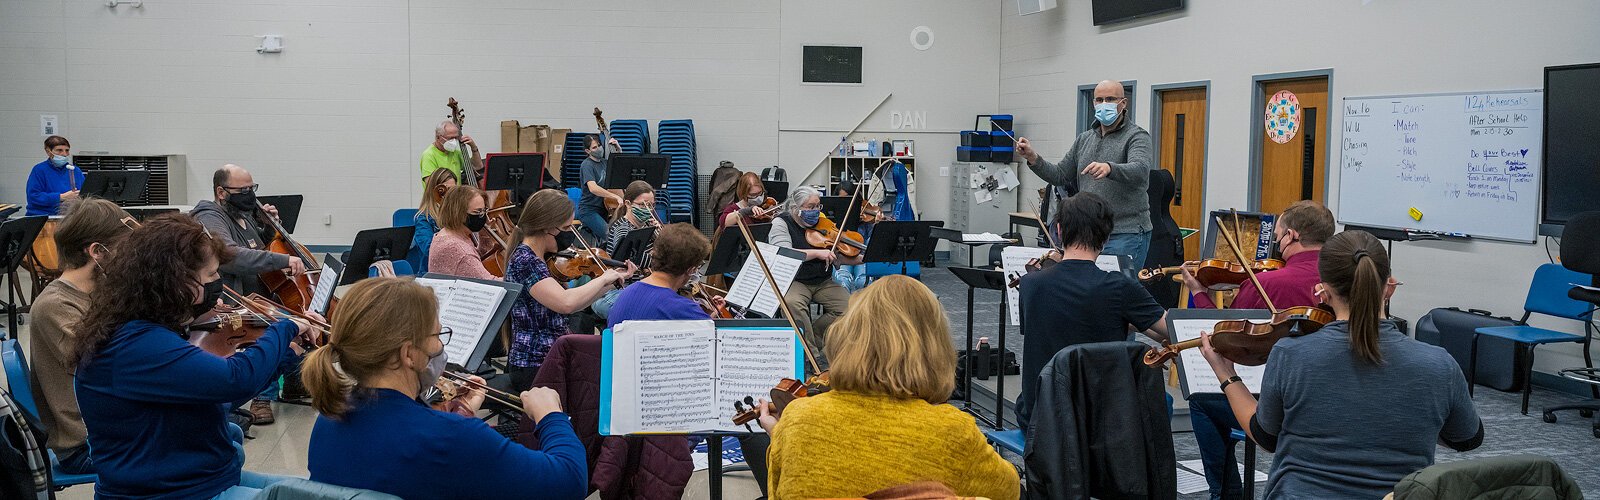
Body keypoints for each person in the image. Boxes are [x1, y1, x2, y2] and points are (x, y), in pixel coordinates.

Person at [1199, 230, 1482, 498]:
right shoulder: (1438, 364)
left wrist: (1226, 374)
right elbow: (1466, 439)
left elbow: (1266, 437)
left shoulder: (1291, 355)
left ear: (1322, 292)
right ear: (1389, 287)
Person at [73, 214, 322, 499]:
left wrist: (282, 355)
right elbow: (234, 380)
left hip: (203, 480)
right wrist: (284, 328)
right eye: (213, 275)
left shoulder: (142, 327)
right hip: (176, 494)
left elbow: (216, 395)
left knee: (318, 493)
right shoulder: (136, 345)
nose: (218, 286)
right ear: (178, 282)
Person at [304, 277, 587, 499]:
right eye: (437, 336)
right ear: (408, 355)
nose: (439, 347)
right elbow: (570, 481)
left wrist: (455, 413)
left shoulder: (329, 419)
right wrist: (551, 416)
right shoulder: (451, 438)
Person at [758, 275, 1019, 499]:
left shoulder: (798, 419)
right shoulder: (953, 430)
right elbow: (1009, 491)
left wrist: (781, 438)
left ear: (848, 337)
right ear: (934, 349)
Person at [1178, 199, 1334, 500]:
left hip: (1273, 401)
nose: (1276, 241)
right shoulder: (1342, 282)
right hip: (1328, 397)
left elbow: (1224, 335)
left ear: (1293, 236)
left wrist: (1200, 293)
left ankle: (1226, 494)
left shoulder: (1268, 282)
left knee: (1201, 401)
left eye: (1278, 236)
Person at [1015, 192, 1168, 425]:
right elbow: (1171, 330)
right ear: (1106, 237)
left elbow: (1056, 325)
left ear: (1059, 231)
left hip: (1039, 416)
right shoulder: (1120, 287)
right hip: (1097, 418)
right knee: (1162, 399)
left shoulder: (1029, 283)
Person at [190, 164, 306, 425]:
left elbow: (256, 245)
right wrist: (281, 259)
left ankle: (295, 383)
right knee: (269, 334)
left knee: (301, 321)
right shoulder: (210, 215)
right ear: (221, 192)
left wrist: (267, 227)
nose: (250, 195)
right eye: (242, 190)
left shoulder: (244, 214)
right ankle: (261, 397)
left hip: (259, 297)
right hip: (234, 302)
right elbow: (230, 255)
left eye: (252, 188)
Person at [28, 198, 134, 475]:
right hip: (85, 444)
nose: (131, 258)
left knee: (219, 427)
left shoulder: (99, 292)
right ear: (97, 252)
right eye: (125, 249)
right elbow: (109, 364)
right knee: (204, 438)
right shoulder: (56, 305)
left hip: (109, 426)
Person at [1017, 80, 1154, 274]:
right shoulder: (1084, 139)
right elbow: (1060, 175)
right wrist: (1033, 158)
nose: (1104, 103)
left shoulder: (1137, 136)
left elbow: (1140, 170)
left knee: (1118, 293)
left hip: (1125, 231)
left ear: (1123, 104)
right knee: (1091, 291)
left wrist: (1110, 168)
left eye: (1110, 99)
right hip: (1090, 233)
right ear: (1093, 103)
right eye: (1099, 99)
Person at [505, 189, 632, 391]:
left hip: (554, 354)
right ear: (547, 228)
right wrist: (604, 278)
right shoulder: (525, 260)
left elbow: (577, 303)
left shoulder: (543, 258)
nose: (570, 237)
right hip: (535, 363)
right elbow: (566, 303)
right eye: (566, 228)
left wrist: (611, 280)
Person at [767, 186, 860, 358]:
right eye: (810, 207)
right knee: (792, 303)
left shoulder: (823, 224)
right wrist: (817, 253)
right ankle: (810, 356)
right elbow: (784, 252)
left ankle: (816, 336)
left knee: (852, 308)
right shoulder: (781, 223)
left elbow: (836, 257)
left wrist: (862, 258)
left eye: (818, 206)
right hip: (795, 279)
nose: (816, 211)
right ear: (795, 207)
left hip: (823, 281)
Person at [591, 181, 660, 319]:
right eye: (642, 205)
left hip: (638, 287)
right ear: (628, 204)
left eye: (651, 205)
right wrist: (659, 257)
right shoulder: (623, 229)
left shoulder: (646, 225)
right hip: (618, 289)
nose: (648, 210)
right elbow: (633, 259)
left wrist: (660, 238)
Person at [427, 185, 497, 280]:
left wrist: (484, 232)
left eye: (484, 211)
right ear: (458, 213)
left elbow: (475, 256)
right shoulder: (456, 247)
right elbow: (491, 283)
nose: (482, 216)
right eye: (477, 212)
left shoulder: (450, 234)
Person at [410, 168, 459, 275]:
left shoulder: (458, 215)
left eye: (453, 190)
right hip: (432, 276)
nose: (450, 195)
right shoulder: (423, 218)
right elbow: (429, 250)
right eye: (444, 190)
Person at [577, 135, 625, 243]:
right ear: (587, 151)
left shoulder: (604, 162)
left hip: (605, 209)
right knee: (611, 236)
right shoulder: (587, 165)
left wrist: (619, 149)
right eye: (594, 147)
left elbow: (620, 166)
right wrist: (615, 196)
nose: (599, 149)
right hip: (589, 210)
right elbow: (593, 188)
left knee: (620, 233)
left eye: (599, 145)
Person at [25, 135, 86, 216]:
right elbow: (34, 197)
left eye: (67, 150)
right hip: (44, 217)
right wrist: (61, 197)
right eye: (59, 150)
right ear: (48, 151)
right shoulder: (39, 170)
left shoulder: (75, 171)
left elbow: (85, 193)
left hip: (69, 216)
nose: (64, 154)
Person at [419, 119, 482, 187]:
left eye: (456, 137)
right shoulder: (429, 155)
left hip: (455, 195)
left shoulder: (455, 152)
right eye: (450, 138)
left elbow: (477, 166)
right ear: (438, 137)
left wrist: (473, 147)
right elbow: (430, 184)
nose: (454, 141)